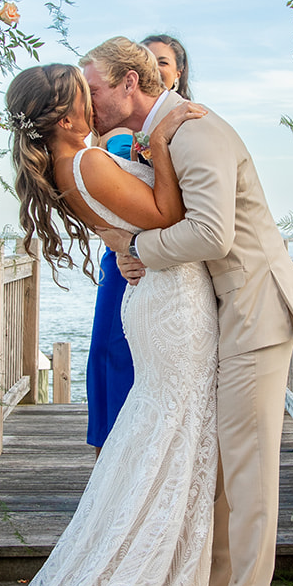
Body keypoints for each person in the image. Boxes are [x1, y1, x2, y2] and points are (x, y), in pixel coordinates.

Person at [0, 55, 216, 586]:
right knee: (169, 428)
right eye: (82, 96)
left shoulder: (70, 165)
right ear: (64, 116)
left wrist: (125, 230)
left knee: (159, 433)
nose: (93, 102)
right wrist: (160, 142)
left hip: (160, 296)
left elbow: (126, 225)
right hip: (172, 304)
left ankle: (166, 571)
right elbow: (169, 214)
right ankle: (149, 580)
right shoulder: (85, 158)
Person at [80, 37, 293, 586]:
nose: (89, 100)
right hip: (226, 310)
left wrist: (139, 253)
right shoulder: (161, 135)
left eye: (96, 88)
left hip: (256, 306)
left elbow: (211, 233)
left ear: (130, 83)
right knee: (219, 460)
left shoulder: (196, 131)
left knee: (248, 464)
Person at [85, 32, 192, 451]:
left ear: (178, 74)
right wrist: (117, 243)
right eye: (149, 61)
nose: (156, 68)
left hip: (174, 260)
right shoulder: (115, 134)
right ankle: (111, 450)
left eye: (163, 62)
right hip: (127, 261)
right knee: (113, 352)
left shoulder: (186, 127)